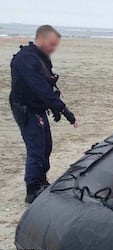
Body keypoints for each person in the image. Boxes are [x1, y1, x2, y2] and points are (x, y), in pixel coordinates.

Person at [9, 25, 77, 203]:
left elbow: (48, 84)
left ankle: (41, 181)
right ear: (40, 38)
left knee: (46, 145)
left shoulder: (42, 58)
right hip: (25, 108)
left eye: (55, 45)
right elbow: (38, 86)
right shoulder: (24, 59)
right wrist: (62, 108)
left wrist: (55, 106)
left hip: (38, 107)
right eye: (51, 44)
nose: (53, 48)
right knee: (36, 148)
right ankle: (32, 189)